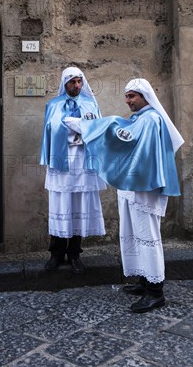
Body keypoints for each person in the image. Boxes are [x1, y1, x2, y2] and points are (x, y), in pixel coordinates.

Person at [68, 78, 184, 313]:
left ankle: (155, 291)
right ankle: (144, 280)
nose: (127, 100)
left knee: (148, 236)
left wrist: (89, 127)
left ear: (145, 96)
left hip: (145, 188)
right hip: (134, 186)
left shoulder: (150, 119)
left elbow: (123, 137)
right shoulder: (140, 119)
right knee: (135, 234)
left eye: (132, 96)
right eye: (126, 96)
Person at [40, 67, 106, 274]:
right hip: (62, 162)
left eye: (79, 81)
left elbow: (99, 129)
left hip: (83, 160)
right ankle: (56, 253)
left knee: (79, 206)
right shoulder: (53, 105)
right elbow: (48, 133)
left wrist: (82, 127)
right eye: (72, 82)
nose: (77, 85)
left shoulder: (90, 103)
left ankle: (75, 253)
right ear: (65, 84)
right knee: (61, 206)